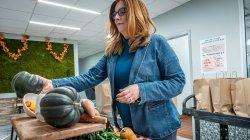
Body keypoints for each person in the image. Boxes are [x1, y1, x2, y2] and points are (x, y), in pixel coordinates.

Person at [40, 0, 185, 139]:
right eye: (114, 14)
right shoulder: (113, 51)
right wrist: (54, 84)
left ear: (136, 13)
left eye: (122, 12)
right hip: (128, 127)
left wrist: (141, 90)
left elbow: (177, 82)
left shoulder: (156, 43)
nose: (116, 17)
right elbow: (90, 77)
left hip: (160, 128)